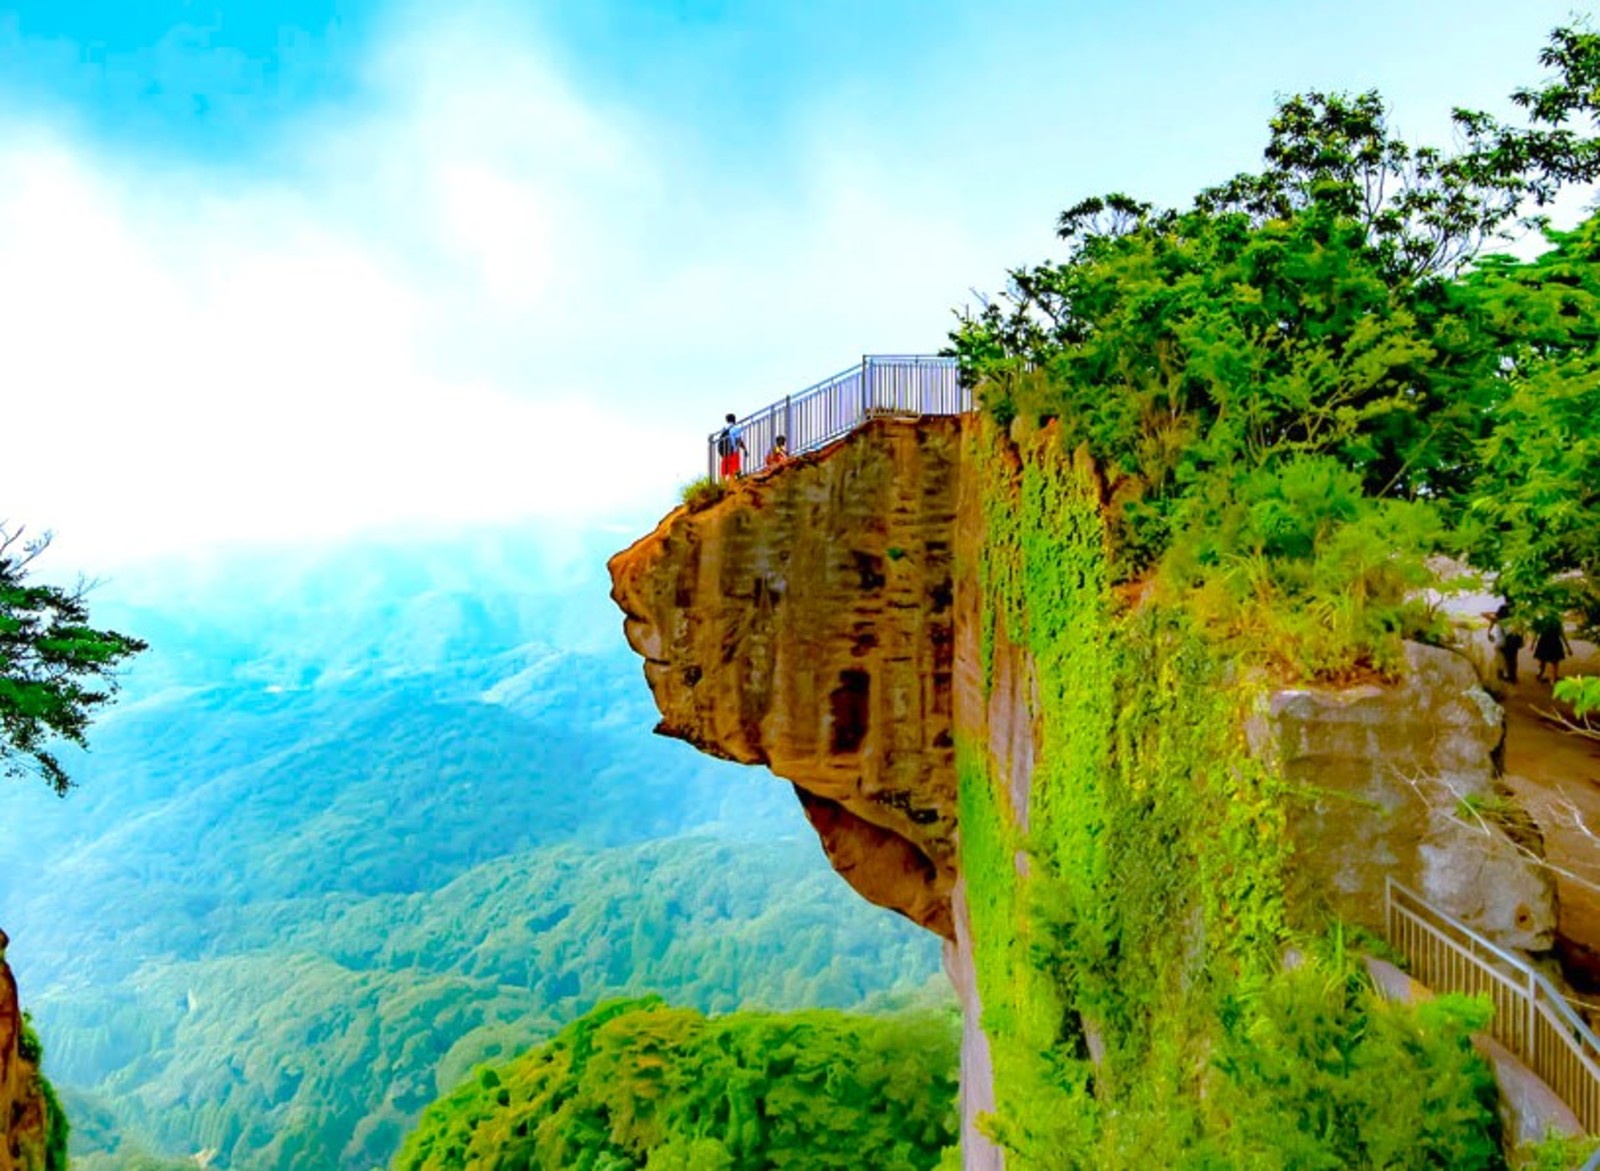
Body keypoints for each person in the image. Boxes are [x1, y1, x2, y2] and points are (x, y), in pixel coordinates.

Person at [1489, 602, 1525, 685]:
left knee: (1500, 660)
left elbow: (1487, 616)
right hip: (1513, 643)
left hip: (1502, 643)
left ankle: (1501, 678)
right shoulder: (1516, 620)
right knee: (1512, 660)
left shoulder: (1499, 621)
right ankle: (1512, 677)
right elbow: (1521, 631)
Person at [1533, 613, 1572, 684]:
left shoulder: (1542, 621)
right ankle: (1553, 679)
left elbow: (1536, 633)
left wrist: (1532, 644)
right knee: (1555, 662)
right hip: (1555, 642)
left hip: (1544, 641)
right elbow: (1562, 635)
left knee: (1542, 660)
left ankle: (1540, 673)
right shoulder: (1557, 622)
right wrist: (1568, 648)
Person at [716, 413, 747, 479]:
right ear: (734, 420)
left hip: (724, 453)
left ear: (727, 420)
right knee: (734, 471)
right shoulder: (735, 429)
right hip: (733, 453)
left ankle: (724, 485)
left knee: (724, 472)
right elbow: (738, 440)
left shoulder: (723, 430)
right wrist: (744, 449)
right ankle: (735, 482)